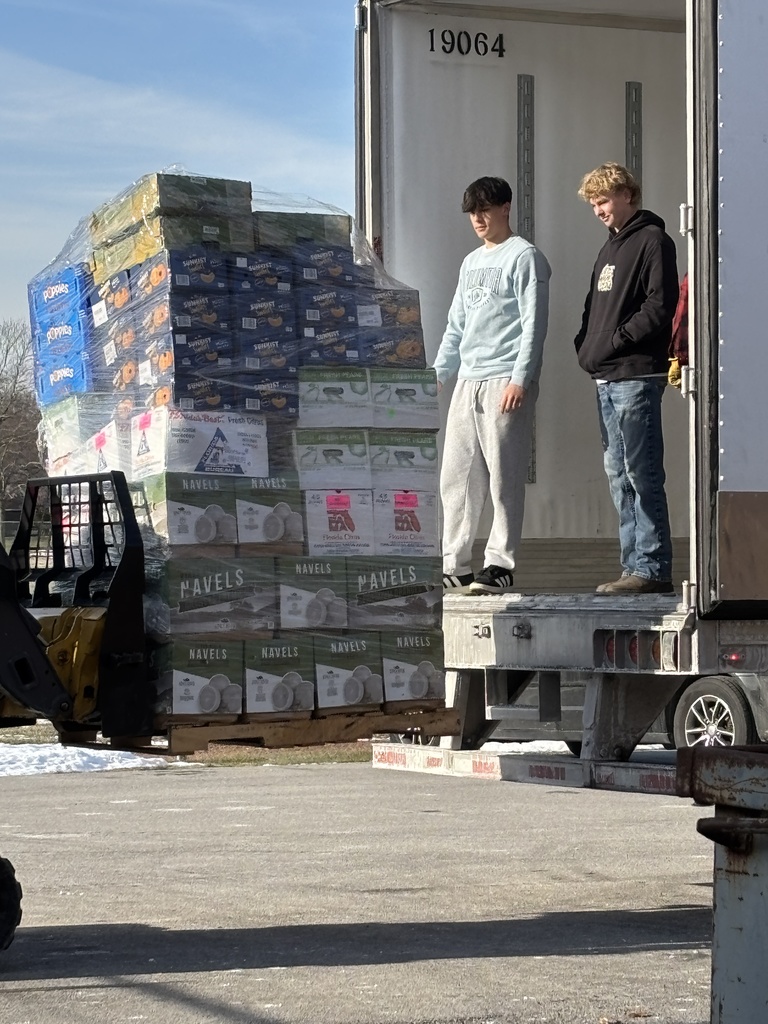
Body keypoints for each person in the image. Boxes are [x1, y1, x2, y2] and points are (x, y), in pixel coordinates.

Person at [433, 176, 551, 594]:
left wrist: (521, 378)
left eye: (485, 209)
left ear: (506, 207)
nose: (478, 218)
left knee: (503, 475)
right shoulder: (470, 263)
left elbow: (534, 324)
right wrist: (438, 374)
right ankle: (456, 563)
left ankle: (499, 563)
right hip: (468, 378)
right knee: (457, 475)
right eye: (472, 212)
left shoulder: (525, 257)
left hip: (505, 378)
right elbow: (456, 324)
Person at [574, 162, 679, 595]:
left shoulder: (653, 240)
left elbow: (660, 306)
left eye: (603, 200)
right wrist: (585, 346)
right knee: (619, 474)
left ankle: (652, 569)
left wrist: (611, 343)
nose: (598, 209)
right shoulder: (608, 249)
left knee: (641, 472)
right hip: (607, 378)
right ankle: (632, 567)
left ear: (627, 195)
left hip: (636, 375)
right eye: (593, 203)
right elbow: (591, 312)